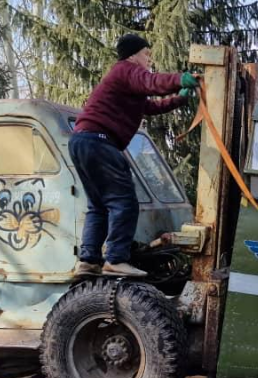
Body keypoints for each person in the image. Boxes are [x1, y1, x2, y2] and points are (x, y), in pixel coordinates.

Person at [70, 34, 198, 278]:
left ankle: (88, 261)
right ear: (132, 55)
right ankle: (116, 259)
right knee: (124, 202)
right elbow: (152, 82)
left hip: (83, 141)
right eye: (146, 54)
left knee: (98, 206)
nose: (149, 59)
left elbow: (150, 107)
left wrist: (180, 98)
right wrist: (179, 78)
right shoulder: (125, 70)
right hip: (99, 141)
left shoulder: (127, 86)